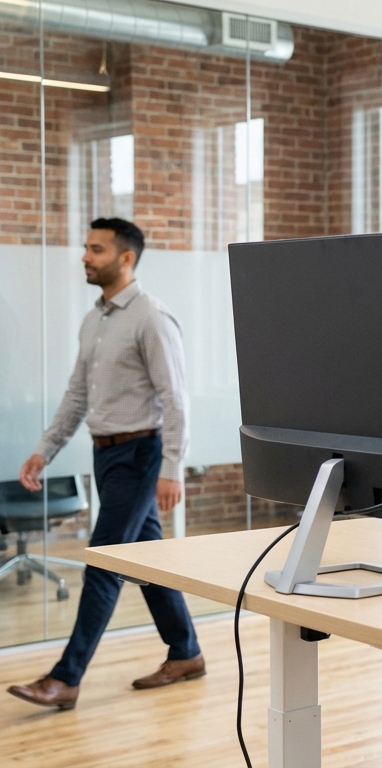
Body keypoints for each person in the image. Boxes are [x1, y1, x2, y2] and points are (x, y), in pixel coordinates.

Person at [8, 218, 204, 711]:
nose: (85, 257)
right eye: (86, 248)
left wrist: (172, 469)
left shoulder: (151, 318)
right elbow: (77, 395)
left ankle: (65, 678)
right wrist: (45, 449)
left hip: (142, 454)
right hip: (107, 453)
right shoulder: (95, 319)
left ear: (126, 258)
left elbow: (175, 399)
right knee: (146, 558)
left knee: (103, 561)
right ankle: (186, 653)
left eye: (96, 249)